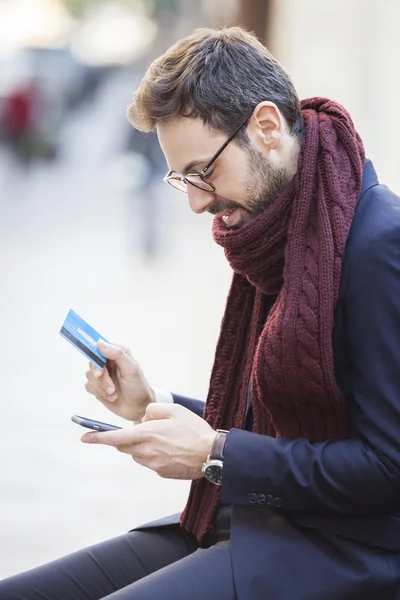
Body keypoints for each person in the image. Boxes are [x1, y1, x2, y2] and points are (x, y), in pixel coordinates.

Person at [1, 26, 400, 600]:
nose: (195, 201)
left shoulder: (376, 244)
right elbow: (276, 415)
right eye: (181, 178)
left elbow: (388, 469)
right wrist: (153, 405)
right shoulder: (281, 227)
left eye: (203, 171)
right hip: (256, 522)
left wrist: (215, 456)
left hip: (342, 550)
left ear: (265, 128)